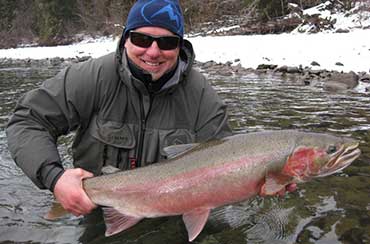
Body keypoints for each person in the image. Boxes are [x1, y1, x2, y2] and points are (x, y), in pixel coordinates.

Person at [7, 0, 295, 219]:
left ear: (180, 45)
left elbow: (226, 163)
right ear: (126, 39)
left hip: (172, 213)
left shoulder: (203, 97)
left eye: (167, 42)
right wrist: (55, 178)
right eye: (142, 39)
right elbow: (27, 120)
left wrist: (262, 177)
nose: (153, 52)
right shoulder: (92, 77)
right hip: (92, 205)